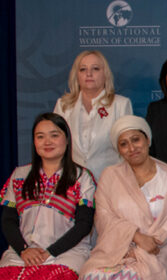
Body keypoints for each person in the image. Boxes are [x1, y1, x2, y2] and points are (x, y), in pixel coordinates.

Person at [80, 115, 167, 279]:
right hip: (116, 251)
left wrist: (149, 244)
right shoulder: (110, 175)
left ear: (147, 140)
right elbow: (104, 217)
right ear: (118, 150)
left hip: (157, 252)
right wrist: (135, 236)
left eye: (136, 140)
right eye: (123, 144)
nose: (131, 148)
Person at [0, 113, 95, 279]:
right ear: (34, 142)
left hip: (66, 253)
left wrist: (50, 252)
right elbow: (8, 221)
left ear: (67, 139)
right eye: (40, 137)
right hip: (21, 253)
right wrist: (24, 249)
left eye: (54, 135)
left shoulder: (82, 177)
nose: (47, 142)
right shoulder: (19, 175)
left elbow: (84, 224)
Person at [54, 50, 133, 180]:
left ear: (105, 74)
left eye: (95, 69)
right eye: (83, 69)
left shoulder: (121, 104)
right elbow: (57, 148)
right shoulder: (63, 105)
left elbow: (128, 150)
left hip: (111, 182)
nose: (89, 74)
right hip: (72, 183)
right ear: (76, 75)